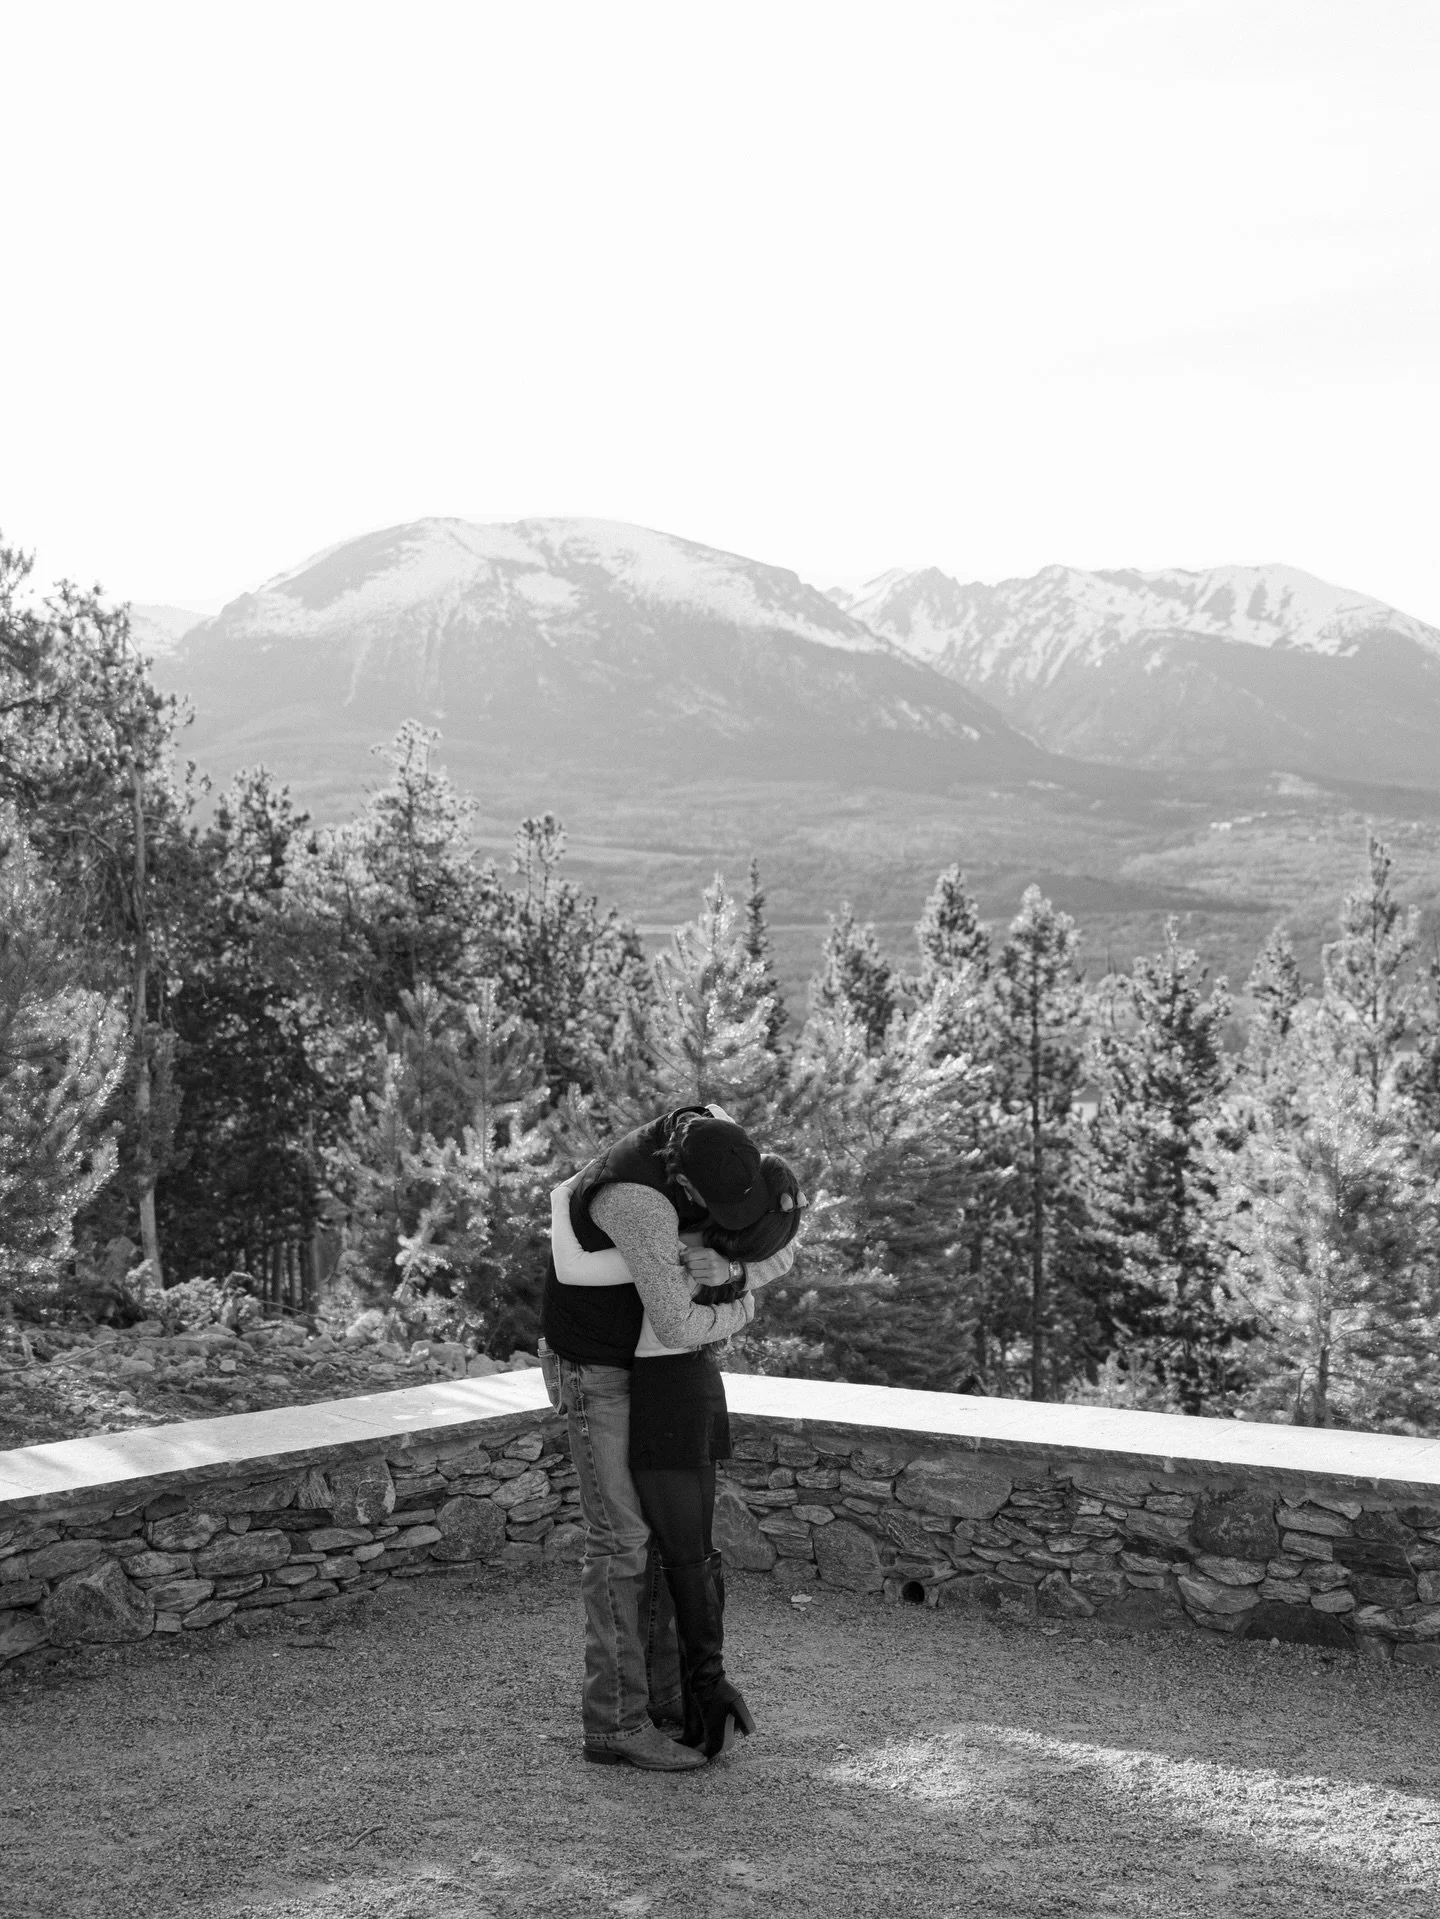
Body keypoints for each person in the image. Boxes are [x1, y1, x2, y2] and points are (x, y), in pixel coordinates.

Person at [538, 1105, 789, 1771]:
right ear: (687, 1185)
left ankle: (666, 1699)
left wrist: (731, 1272)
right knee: (621, 1539)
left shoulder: (715, 1134)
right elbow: (677, 1322)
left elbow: (777, 1245)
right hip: (597, 1367)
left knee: (658, 1537)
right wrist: (742, 1306)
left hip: (648, 1367)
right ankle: (615, 1723)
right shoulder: (638, 1201)